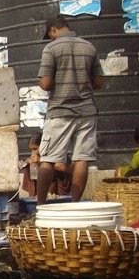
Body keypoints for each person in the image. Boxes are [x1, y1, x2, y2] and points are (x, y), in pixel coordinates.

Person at [36, 14, 104, 205]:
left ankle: (40, 206)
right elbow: (98, 82)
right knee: (82, 158)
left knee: (48, 159)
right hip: (86, 112)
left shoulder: (51, 49)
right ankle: (75, 204)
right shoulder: (89, 47)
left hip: (59, 112)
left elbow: (46, 84)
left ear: (52, 30)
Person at [20, 131, 72, 197]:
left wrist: (40, 160)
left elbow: (63, 167)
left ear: (43, 146)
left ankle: (48, 197)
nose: (33, 152)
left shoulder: (55, 151)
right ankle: (35, 197)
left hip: (61, 188)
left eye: (35, 149)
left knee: (48, 171)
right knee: (28, 170)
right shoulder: (39, 155)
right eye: (31, 150)